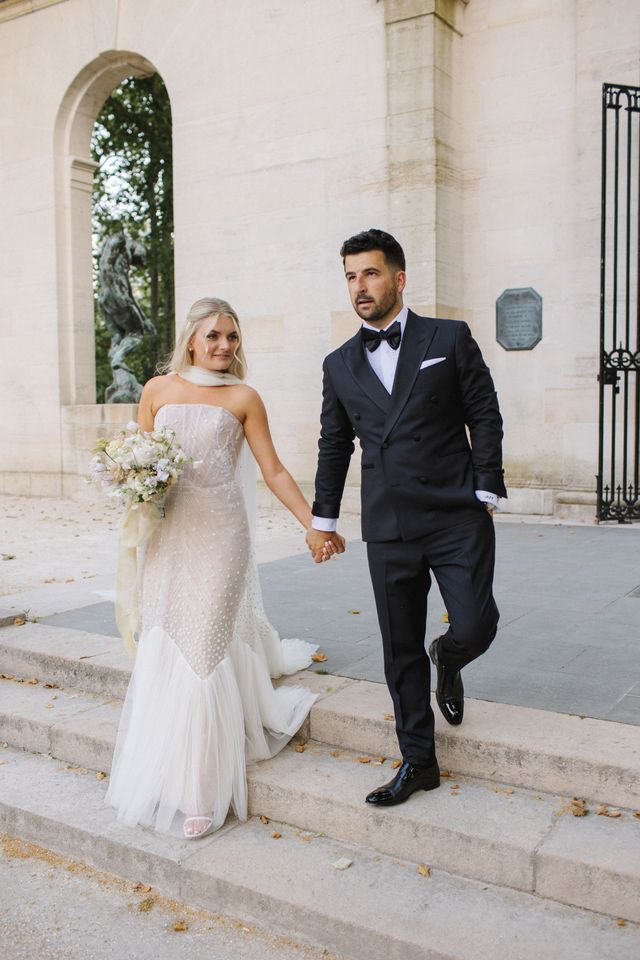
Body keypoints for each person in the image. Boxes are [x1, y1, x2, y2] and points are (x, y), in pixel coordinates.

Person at [105, 297, 336, 839]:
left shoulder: (244, 397)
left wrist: (314, 524)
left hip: (222, 536)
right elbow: (137, 458)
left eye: (232, 337)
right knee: (167, 641)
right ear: (191, 339)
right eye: (214, 336)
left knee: (204, 650)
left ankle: (199, 789)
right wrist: (130, 481)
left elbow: (274, 470)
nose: (224, 346)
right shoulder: (156, 391)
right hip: (168, 534)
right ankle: (165, 762)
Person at [306, 229, 506, 807]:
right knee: (398, 648)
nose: (359, 288)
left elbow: (483, 411)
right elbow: (333, 444)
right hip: (388, 523)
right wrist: (324, 517)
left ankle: (451, 656)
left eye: (369, 274)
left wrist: (486, 484)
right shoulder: (340, 363)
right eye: (350, 277)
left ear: (398, 278)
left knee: (473, 625)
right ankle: (419, 760)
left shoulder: (448, 336)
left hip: (455, 514)